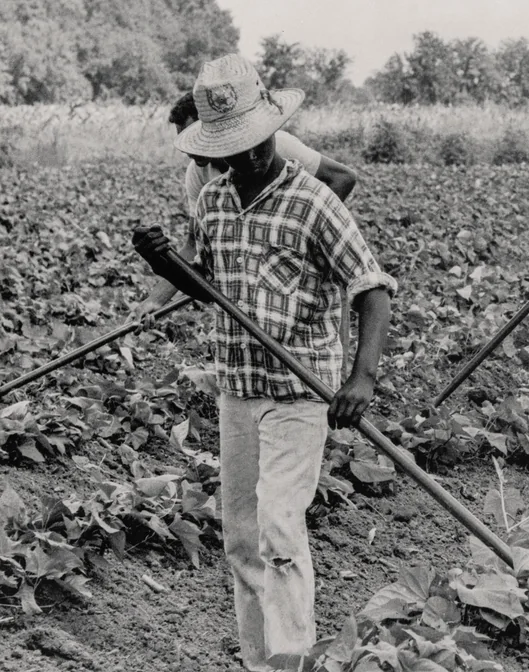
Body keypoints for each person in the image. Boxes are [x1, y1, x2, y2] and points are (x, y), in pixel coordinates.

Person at [132, 55, 396, 672]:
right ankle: (260, 662)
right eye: (232, 149)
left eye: (254, 144)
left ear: (274, 130)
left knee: (280, 529)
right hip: (237, 389)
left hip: (300, 390)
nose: (246, 157)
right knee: (243, 536)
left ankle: (292, 660)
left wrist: (362, 378)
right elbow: (214, 289)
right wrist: (167, 267)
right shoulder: (215, 199)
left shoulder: (314, 202)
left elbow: (373, 289)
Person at [133, 91, 358, 323]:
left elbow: (343, 178)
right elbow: (193, 245)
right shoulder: (200, 176)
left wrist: (306, 231)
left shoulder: (275, 145)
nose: (189, 151)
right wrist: (156, 299)